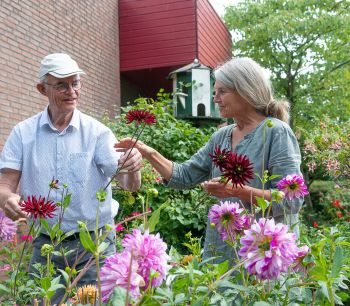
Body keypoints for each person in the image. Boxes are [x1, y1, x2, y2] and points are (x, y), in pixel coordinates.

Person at [115, 57, 304, 264]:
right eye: (215, 93)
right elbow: (184, 175)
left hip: (263, 256)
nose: (215, 99)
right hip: (221, 254)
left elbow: (291, 200)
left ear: (245, 90)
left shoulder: (275, 132)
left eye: (222, 92)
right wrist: (147, 152)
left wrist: (236, 191)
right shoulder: (221, 137)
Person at [0, 53, 142, 303]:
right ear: (42, 89)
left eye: (75, 83)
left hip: (94, 245)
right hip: (45, 244)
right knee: (39, 301)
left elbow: (129, 186)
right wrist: (8, 199)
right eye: (62, 85)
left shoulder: (98, 133)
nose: (72, 91)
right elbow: (5, 187)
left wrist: (132, 168)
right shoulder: (23, 133)